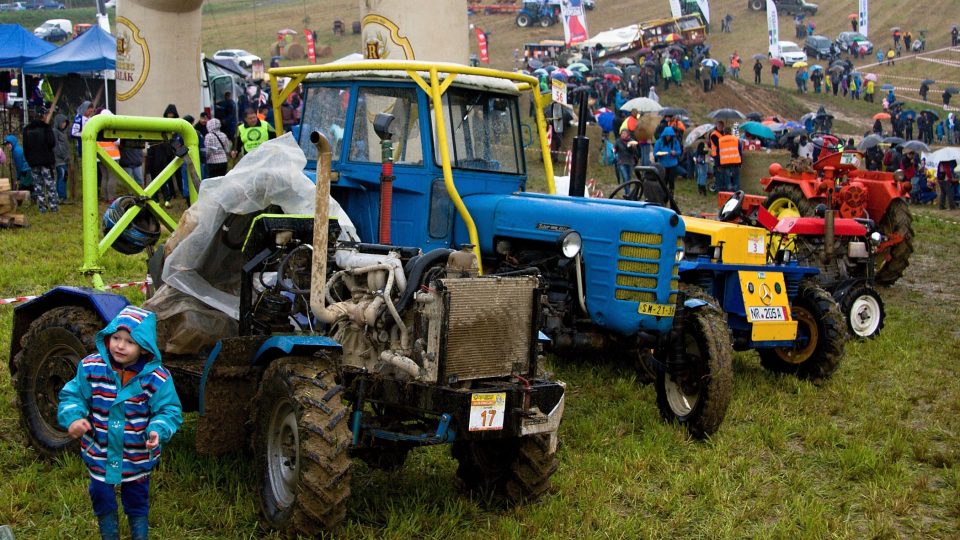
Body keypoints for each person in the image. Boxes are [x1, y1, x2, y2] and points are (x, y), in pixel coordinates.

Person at [57, 306, 183, 540]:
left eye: (129, 342)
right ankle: (109, 533)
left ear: (144, 346)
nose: (120, 346)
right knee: (101, 496)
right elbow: (72, 395)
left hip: (137, 455)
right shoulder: (91, 367)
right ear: (108, 336)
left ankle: (139, 533)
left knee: (137, 499)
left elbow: (169, 409)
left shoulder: (157, 378)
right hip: (99, 452)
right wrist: (73, 417)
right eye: (116, 337)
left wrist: (158, 429)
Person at [23, 114, 58, 213]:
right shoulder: (46, 128)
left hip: (33, 162)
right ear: (43, 117)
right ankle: (53, 206)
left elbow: (25, 147)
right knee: (49, 183)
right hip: (46, 161)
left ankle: (42, 207)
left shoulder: (27, 130)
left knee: (38, 185)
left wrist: (29, 160)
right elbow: (52, 143)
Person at [653, 126, 681, 195]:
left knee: (671, 180)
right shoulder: (659, 142)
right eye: (667, 135)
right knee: (664, 180)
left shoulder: (675, 142)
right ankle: (664, 194)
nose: (668, 137)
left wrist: (675, 153)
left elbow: (679, 151)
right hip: (663, 164)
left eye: (670, 135)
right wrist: (659, 154)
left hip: (672, 164)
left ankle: (671, 194)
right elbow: (655, 153)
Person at [53, 113, 70, 201]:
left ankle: (61, 195)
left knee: (63, 177)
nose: (64, 124)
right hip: (59, 160)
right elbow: (56, 147)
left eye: (65, 123)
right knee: (63, 177)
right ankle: (61, 197)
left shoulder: (62, 133)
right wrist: (64, 155)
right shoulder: (55, 132)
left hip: (63, 160)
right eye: (62, 122)